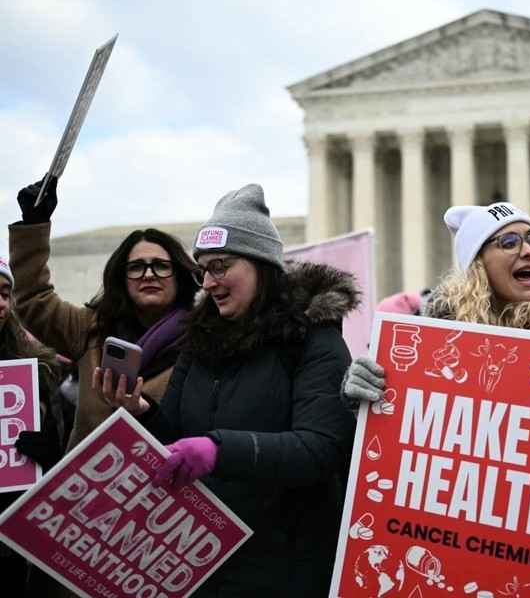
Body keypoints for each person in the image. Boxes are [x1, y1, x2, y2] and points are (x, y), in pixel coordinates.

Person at [100, 184, 359, 596]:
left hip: (286, 568)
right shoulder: (199, 343)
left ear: (260, 265)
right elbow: (179, 439)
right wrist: (143, 412)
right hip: (204, 566)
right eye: (203, 268)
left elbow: (321, 449)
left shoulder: (314, 339)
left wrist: (220, 449)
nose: (209, 281)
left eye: (221, 265)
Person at [344, 201, 530, 405]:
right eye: (510, 242)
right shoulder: (435, 348)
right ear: (478, 265)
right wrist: (363, 393)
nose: (529, 251)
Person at [9, 176, 198, 451]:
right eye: (136, 267)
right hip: (85, 485)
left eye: (160, 265)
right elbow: (32, 298)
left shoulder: (203, 339)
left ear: (179, 274)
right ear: (121, 278)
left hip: (159, 487)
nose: (148, 275)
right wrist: (33, 226)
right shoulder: (89, 328)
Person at [0, 258, 62, 595]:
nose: (0, 303)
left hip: (17, 543)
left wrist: (50, 453)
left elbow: (62, 453)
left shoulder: (35, 370)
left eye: (5, 293)